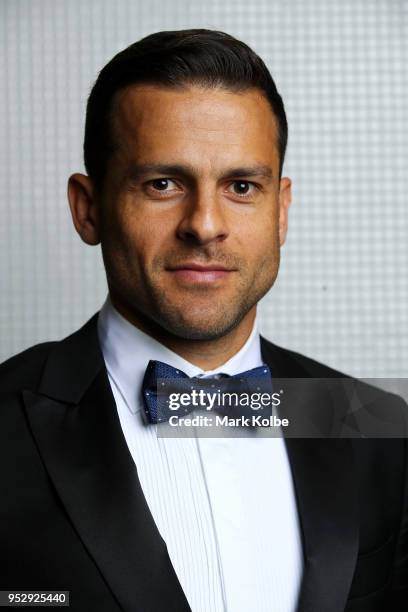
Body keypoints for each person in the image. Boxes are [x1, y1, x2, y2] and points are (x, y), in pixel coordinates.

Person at [0, 28, 407, 612]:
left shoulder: (377, 427)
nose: (206, 224)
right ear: (88, 209)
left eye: (242, 186)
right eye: (162, 184)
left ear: (281, 211)